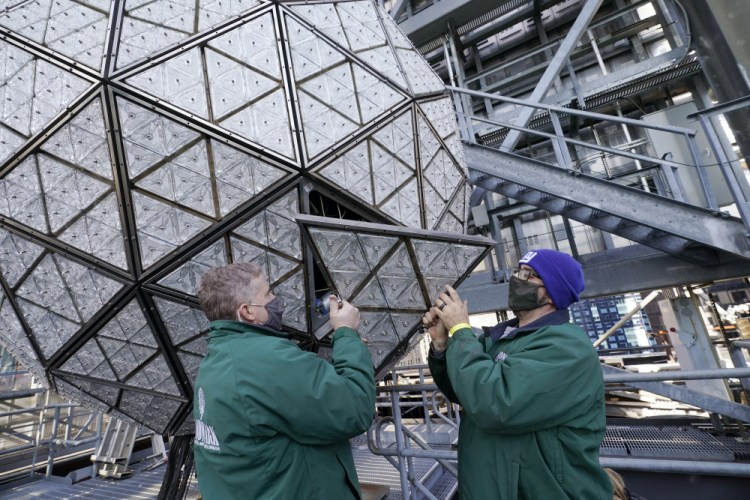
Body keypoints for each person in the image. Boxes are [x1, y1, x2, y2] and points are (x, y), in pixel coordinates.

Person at [424, 249, 612, 499]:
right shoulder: (504, 338)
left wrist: (460, 329)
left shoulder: (567, 346)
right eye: (517, 271)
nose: (517, 279)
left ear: (552, 293)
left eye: (530, 275)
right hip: (489, 487)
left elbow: (496, 404)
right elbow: (467, 390)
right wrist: (441, 345)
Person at [192, 262, 376, 499]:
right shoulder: (266, 359)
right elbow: (355, 409)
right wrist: (346, 333)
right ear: (247, 311)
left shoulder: (217, 358)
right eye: (268, 293)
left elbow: (281, 402)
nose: (275, 299)